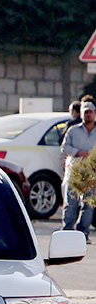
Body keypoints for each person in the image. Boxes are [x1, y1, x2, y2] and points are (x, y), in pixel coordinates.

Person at [61, 100, 96, 241]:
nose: (88, 115)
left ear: (94, 114)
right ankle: (67, 233)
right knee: (71, 204)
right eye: (85, 112)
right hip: (76, 172)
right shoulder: (73, 131)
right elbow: (64, 148)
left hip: (92, 173)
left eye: (90, 112)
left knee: (88, 206)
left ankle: (83, 234)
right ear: (81, 115)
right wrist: (78, 152)